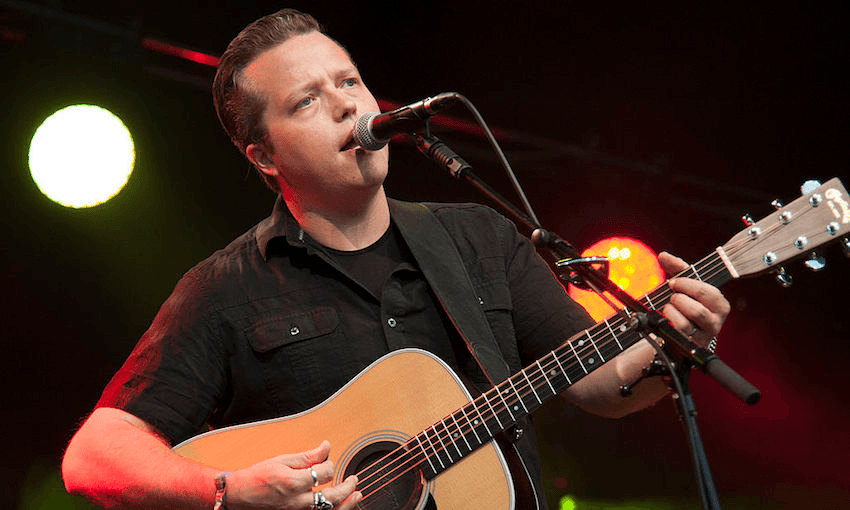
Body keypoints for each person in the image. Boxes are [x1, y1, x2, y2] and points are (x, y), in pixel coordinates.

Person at [61, 8, 730, 510]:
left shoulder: (480, 239)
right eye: (306, 101)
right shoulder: (226, 289)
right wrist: (231, 489)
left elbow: (598, 383)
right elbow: (94, 457)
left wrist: (669, 344)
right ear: (263, 156)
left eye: (348, 80)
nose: (347, 104)